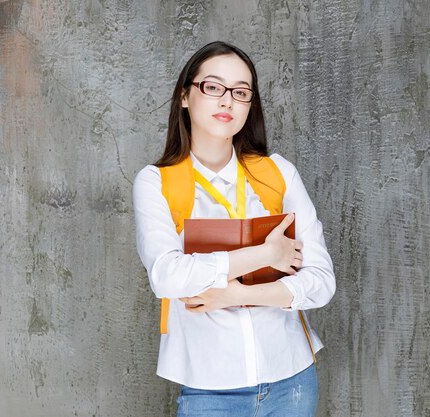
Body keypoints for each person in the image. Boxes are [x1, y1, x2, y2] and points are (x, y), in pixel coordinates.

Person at [132, 41, 335, 417]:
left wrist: (232, 295)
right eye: (213, 87)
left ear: (250, 105)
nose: (227, 101)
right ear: (185, 97)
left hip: (292, 380)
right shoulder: (155, 182)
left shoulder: (278, 173)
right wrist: (266, 255)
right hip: (210, 391)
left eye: (241, 92)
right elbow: (167, 276)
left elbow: (321, 282)